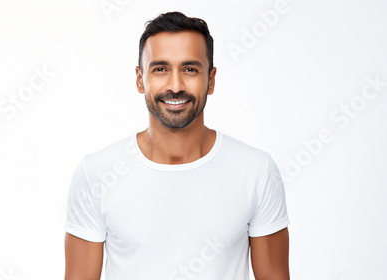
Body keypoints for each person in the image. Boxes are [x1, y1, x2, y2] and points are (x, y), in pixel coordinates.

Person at [64, 11, 290, 280]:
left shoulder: (256, 171)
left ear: (211, 80)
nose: (175, 85)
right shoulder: (97, 173)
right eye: (160, 69)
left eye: (190, 69)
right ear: (140, 79)